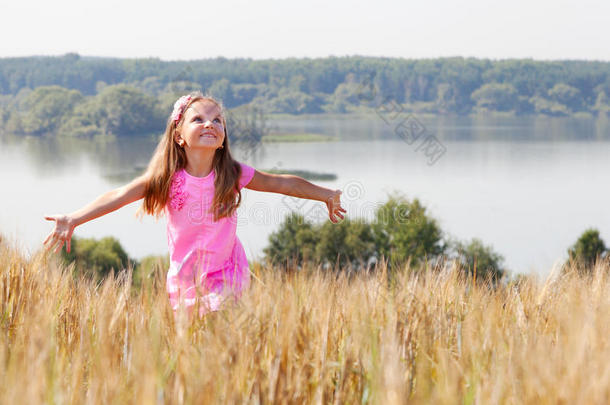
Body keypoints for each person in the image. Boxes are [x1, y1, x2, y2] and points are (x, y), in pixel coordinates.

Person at [43, 92, 346, 318]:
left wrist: (326, 195)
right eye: (198, 119)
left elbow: (282, 183)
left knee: (216, 323)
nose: (210, 124)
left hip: (226, 272)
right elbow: (118, 195)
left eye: (217, 120)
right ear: (178, 136)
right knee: (193, 349)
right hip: (184, 278)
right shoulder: (166, 179)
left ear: (223, 137)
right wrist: (73, 218)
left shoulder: (232, 174)